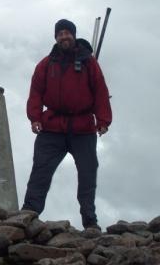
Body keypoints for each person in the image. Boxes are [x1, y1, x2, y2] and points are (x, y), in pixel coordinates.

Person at [22, 19, 112, 230]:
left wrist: (103, 120)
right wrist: (34, 118)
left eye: (67, 33)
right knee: (40, 172)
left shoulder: (89, 63)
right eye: (60, 33)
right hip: (52, 126)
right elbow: (35, 93)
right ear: (56, 37)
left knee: (88, 173)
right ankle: (27, 216)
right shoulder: (45, 64)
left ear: (74, 35)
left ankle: (90, 221)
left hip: (83, 127)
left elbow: (100, 91)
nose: (64, 37)